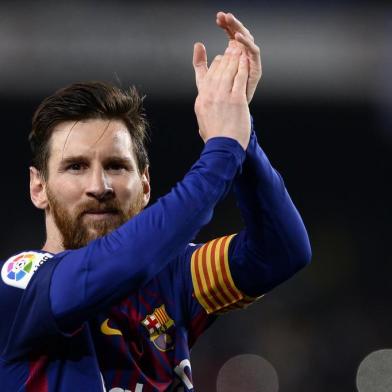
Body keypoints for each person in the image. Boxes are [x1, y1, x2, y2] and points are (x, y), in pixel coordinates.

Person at [0, 11, 311, 392]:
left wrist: (240, 132)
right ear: (39, 188)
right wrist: (223, 149)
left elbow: (281, 253)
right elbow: (128, 262)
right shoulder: (23, 284)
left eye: (116, 166)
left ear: (145, 185)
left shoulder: (173, 278)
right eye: (76, 167)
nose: (99, 186)